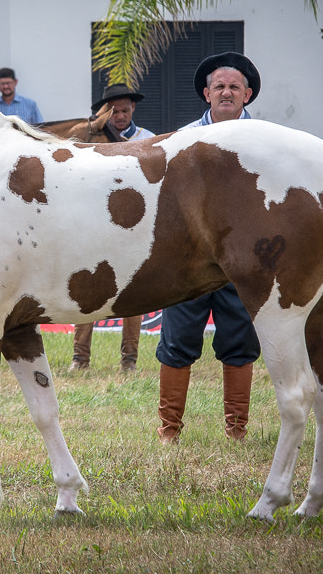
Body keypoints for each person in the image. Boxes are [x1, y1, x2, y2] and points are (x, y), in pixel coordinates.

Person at [155, 51, 262, 444]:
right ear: (206, 94)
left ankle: (236, 429)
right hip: (190, 258)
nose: (227, 92)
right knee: (177, 340)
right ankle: (169, 430)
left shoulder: (267, 141)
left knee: (241, 341)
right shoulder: (183, 141)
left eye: (235, 86)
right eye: (219, 86)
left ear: (247, 94)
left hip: (242, 260)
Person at [69, 83, 154, 374]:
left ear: (134, 109)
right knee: (88, 291)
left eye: (125, 110)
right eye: (114, 111)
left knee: (134, 292)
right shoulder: (92, 139)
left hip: (133, 227)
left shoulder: (148, 140)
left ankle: (129, 360)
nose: (120, 116)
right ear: (105, 112)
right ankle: (80, 358)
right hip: (95, 226)